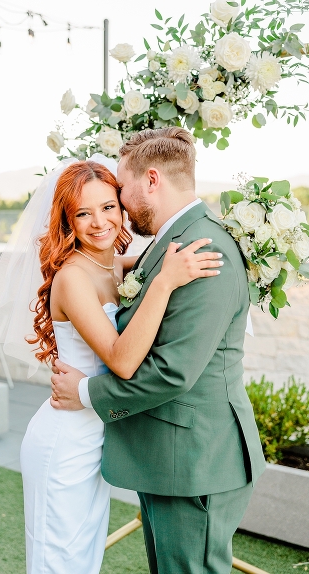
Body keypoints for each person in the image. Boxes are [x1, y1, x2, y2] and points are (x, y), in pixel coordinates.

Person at [0, 152, 222, 573]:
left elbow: (138, 263)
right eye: (83, 214)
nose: (100, 223)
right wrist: (165, 281)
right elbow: (122, 361)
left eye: (109, 207)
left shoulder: (109, 262)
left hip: (96, 438)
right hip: (66, 440)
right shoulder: (73, 277)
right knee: (59, 561)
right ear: (66, 221)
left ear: (122, 204)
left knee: (84, 560)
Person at [50, 128, 266, 573]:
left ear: (151, 181)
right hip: (168, 458)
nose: (121, 205)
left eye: (121, 190)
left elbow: (172, 372)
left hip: (196, 463)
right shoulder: (172, 244)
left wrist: (87, 393)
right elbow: (110, 272)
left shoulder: (205, 250)